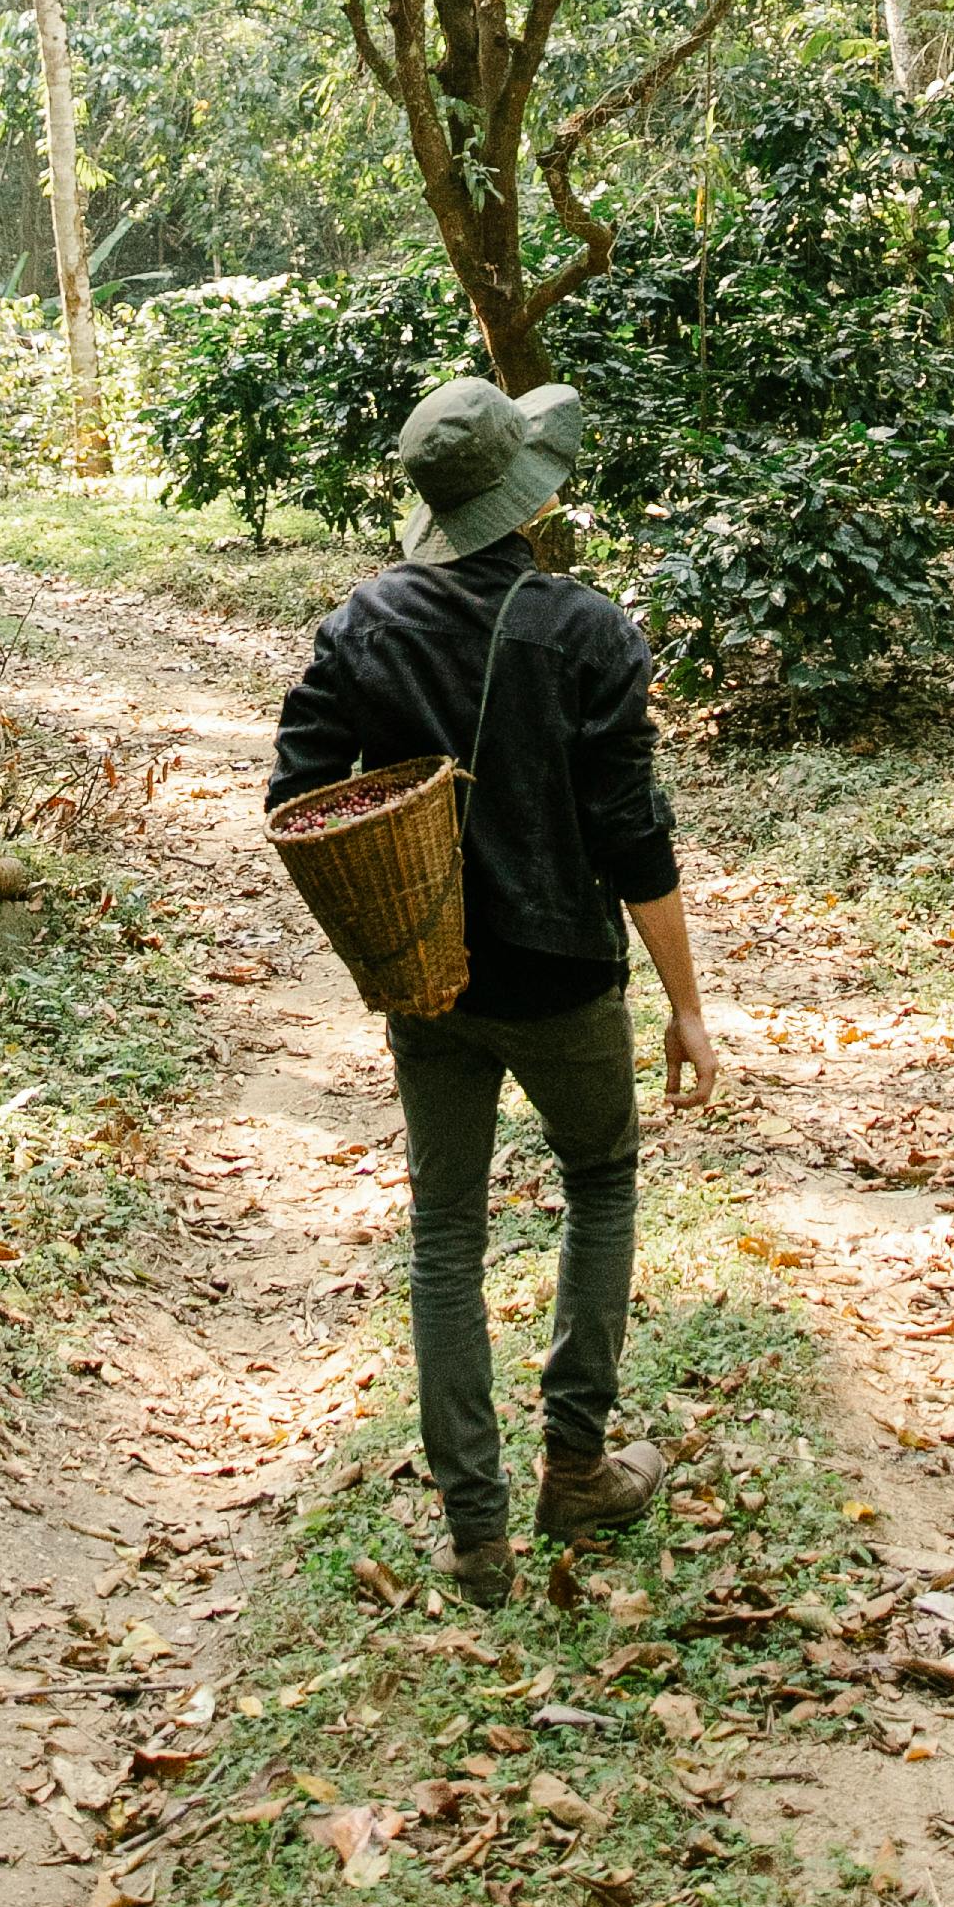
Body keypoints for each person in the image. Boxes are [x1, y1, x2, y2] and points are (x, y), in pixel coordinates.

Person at [268, 370, 717, 1606]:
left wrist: (388, 910)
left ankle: (476, 1534)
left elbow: (299, 794)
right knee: (601, 1182)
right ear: (524, 491)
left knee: (448, 1239)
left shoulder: (365, 621)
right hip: (567, 972)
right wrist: (685, 1005)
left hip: (433, 981)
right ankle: (575, 1470)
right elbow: (633, 837)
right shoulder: (587, 629)